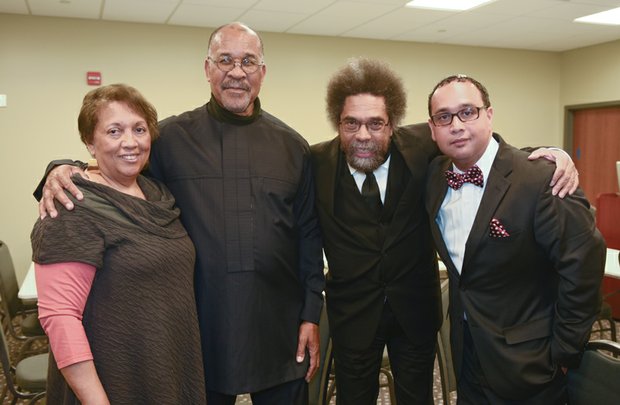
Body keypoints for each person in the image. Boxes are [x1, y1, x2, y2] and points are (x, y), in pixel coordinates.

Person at [34, 22, 324, 405]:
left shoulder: (293, 146)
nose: (237, 72)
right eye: (225, 60)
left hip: (277, 324)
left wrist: (310, 313)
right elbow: (117, 164)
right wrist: (61, 166)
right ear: (207, 69)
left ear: (262, 72)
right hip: (199, 330)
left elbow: (308, 234)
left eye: (248, 61)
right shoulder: (168, 140)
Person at [311, 58, 580, 405]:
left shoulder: (424, 144)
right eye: (351, 123)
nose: (364, 134)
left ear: (392, 124)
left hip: (415, 313)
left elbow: (482, 146)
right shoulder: (316, 162)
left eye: (375, 123)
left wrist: (553, 154)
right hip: (353, 316)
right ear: (338, 122)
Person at [425, 74, 606, 404]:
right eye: (444, 116)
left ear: (489, 115)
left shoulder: (542, 178)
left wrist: (564, 352)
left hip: (533, 364)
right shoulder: (434, 179)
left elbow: (584, 267)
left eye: (468, 112)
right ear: (432, 128)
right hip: (467, 357)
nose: (456, 125)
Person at [31, 84, 206, 404]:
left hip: (168, 365)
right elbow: (60, 318)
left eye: (139, 129)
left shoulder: (158, 194)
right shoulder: (71, 206)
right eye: (114, 131)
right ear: (90, 143)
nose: (130, 142)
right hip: (113, 378)